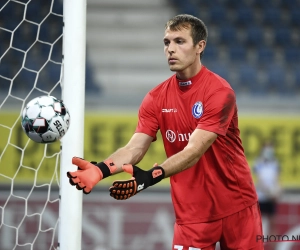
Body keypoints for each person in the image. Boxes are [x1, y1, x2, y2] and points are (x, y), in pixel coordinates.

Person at [67, 14, 263, 250]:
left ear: (200, 46)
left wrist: (150, 177)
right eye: (167, 42)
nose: (170, 49)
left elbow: (194, 150)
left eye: (179, 42)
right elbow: (134, 148)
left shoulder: (220, 92)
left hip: (237, 208)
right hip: (191, 216)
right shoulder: (156, 98)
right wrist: (101, 170)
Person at [253, 140, 281, 249]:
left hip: (271, 198)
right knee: (257, 224)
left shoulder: (275, 163)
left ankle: (272, 247)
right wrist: (268, 191)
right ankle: (258, 246)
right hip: (261, 197)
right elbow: (259, 180)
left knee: (273, 223)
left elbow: (278, 180)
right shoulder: (258, 162)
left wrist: (277, 191)